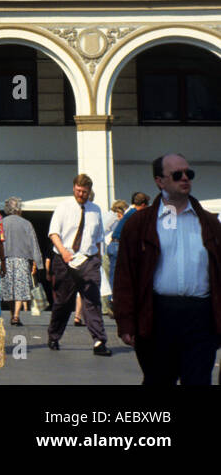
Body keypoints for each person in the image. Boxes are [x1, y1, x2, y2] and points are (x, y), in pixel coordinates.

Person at [114, 154, 221, 385]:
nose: (185, 179)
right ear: (159, 181)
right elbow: (125, 276)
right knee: (158, 381)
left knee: (199, 381)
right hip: (158, 316)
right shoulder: (140, 224)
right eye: (177, 174)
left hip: (200, 318)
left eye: (188, 174)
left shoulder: (209, 224)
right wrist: (126, 322)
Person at [46, 173, 111, 355]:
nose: (81, 194)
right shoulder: (63, 207)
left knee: (92, 300)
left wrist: (97, 258)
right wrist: (64, 252)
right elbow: (53, 233)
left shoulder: (95, 210)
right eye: (78, 190)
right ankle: (54, 335)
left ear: (89, 191)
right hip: (65, 259)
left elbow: (98, 237)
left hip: (88, 260)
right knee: (63, 302)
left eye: (84, 191)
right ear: (74, 188)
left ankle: (99, 341)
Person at [0, 197, 43, 327]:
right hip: (22, 259)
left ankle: (14, 313)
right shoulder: (26, 223)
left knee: (8, 289)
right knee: (20, 289)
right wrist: (38, 262)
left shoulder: (1, 222)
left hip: (5, 259)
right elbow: (33, 243)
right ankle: (16, 315)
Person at [109, 192, 150, 284]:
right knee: (121, 275)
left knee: (114, 274)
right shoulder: (135, 215)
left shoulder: (130, 212)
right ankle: (115, 297)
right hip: (118, 246)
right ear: (143, 205)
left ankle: (113, 296)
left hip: (113, 244)